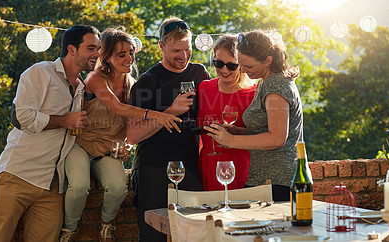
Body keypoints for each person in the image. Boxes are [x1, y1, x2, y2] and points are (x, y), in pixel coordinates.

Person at [58, 27, 181, 242]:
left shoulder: (133, 85)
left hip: (108, 150)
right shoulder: (95, 78)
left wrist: (127, 145)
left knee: (118, 188)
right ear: (106, 56)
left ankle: (107, 225)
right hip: (82, 145)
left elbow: (130, 125)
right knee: (78, 186)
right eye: (121, 54)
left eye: (131, 52)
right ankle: (69, 230)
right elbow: (118, 108)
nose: (129, 58)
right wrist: (158, 115)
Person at [0, 25, 101, 242]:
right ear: (72, 49)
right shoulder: (41, 72)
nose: (97, 54)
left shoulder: (82, 87)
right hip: (19, 175)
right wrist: (64, 121)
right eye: (91, 48)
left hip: (53, 185)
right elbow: (20, 117)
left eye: (98, 48)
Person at [127, 17, 211, 241]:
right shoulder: (147, 82)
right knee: (154, 235)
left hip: (190, 166)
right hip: (153, 168)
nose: (183, 56)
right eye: (176, 50)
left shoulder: (199, 73)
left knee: (197, 233)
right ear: (161, 47)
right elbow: (132, 135)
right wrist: (171, 112)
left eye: (187, 49)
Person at [205, 29, 303, 201]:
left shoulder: (276, 87)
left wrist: (230, 141)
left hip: (277, 181)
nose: (242, 70)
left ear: (268, 60)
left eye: (248, 66)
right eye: (241, 65)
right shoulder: (266, 81)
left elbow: (277, 138)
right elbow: (266, 129)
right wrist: (237, 131)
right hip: (264, 179)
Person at [197, 34, 256, 191]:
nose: (224, 70)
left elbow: (262, 133)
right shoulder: (204, 88)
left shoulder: (254, 93)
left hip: (242, 165)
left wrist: (235, 133)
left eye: (231, 66)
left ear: (242, 65)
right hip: (209, 164)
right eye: (219, 63)